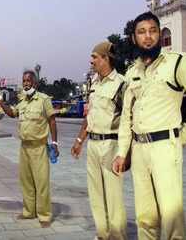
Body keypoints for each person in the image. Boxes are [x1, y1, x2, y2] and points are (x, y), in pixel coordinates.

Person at [112, 12, 186, 240]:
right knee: (145, 217)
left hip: (165, 149)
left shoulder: (177, 62)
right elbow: (127, 118)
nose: (148, 37)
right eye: (142, 32)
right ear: (133, 38)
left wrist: (183, 137)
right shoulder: (132, 72)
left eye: (153, 31)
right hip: (139, 151)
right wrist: (122, 152)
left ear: (159, 34)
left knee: (171, 216)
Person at [71, 41, 127, 240]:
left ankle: (118, 236)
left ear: (106, 58)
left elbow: (130, 119)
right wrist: (80, 139)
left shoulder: (121, 84)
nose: (91, 60)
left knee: (113, 195)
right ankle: (102, 234)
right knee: (95, 194)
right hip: (93, 144)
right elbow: (89, 115)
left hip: (111, 144)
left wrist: (125, 152)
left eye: (95, 57)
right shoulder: (94, 83)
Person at [0, 70, 58, 228]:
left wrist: (55, 143)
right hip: (24, 147)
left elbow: (52, 121)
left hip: (39, 147)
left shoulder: (43, 100)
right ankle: (29, 211)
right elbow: (12, 113)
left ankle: (44, 215)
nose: (26, 83)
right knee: (26, 181)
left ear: (35, 83)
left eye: (28, 81)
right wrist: (1, 103)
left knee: (41, 182)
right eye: (24, 81)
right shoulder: (22, 101)